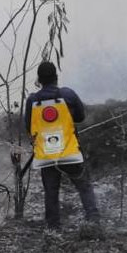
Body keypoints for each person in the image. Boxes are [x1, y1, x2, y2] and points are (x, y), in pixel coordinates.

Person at [24, 61, 101, 236]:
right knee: (84, 186)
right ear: (56, 78)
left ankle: (53, 229)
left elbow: (29, 127)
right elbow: (80, 117)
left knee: (51, 192)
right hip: (70, 153)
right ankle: (93, 220)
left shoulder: (32, 101)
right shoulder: (68, 94)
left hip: (47, 156)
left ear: (39, 80)